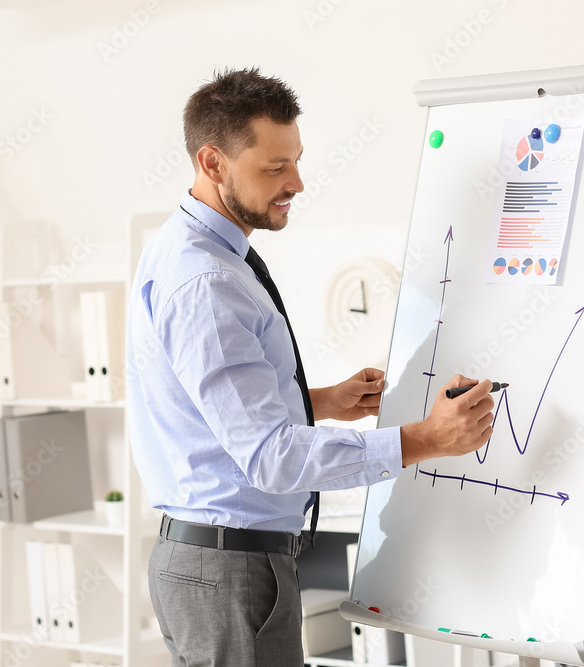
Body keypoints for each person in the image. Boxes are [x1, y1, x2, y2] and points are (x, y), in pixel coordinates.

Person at [126, 67, 495, 667]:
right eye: (275, 168)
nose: (296, 182)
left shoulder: (186, 248)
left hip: (209, 566)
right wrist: (425, 439)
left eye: (296, 160)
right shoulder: (208, 282)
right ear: (213, 162)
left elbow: (199, 401)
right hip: (230, 572)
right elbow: (271, 459)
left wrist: (317, 400)